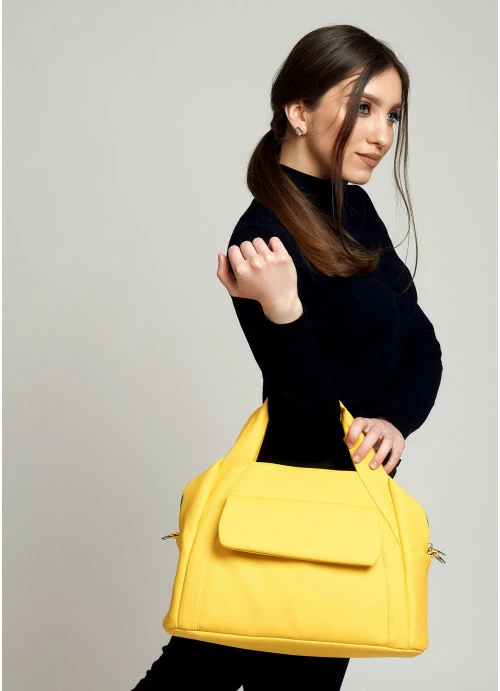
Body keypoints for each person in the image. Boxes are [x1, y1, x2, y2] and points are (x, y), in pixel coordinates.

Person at [130, 23, 443, 691]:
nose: (382, 133)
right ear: (298, 111)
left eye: (392, 114)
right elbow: (303, 413)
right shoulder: (263, 235)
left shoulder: (354, 210)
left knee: (208, 674)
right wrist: (282, 309)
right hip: (291, 498)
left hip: (342, 492)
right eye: (363, 107)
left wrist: (395, 419)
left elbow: (422, 340)